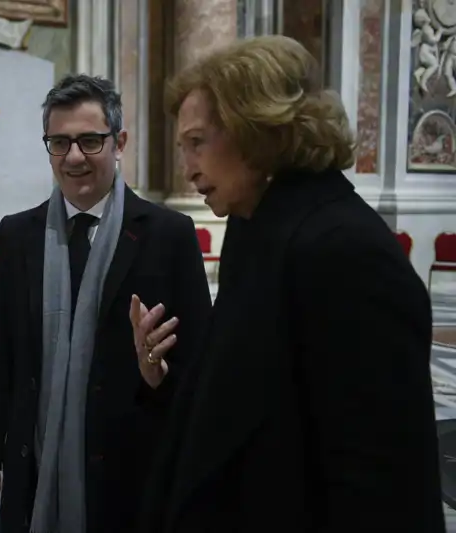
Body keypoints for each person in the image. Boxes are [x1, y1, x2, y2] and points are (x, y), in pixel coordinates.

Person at [134, 35, 445, 532]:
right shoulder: (255, 228)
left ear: (256, 129)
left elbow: (381, 482)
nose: (186, 166)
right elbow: (248, 405)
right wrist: (164, 378)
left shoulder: (346, 251)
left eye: (197, 142)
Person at [0, 74, 211, 533]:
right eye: (59, 143)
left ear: (119, 142)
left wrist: (157, 375)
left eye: (89, 141)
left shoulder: (168, 236)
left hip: (128, 476)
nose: (74, 157)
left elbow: (200, 369)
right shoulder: (18, 236)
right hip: (34, 476)